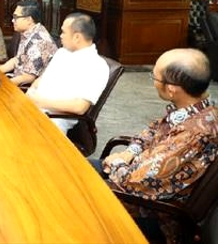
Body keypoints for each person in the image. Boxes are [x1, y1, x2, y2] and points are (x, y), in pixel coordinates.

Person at [93, 48, 217, 243]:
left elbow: (135, 183)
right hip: (135, 176)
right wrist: (129, 153)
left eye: (155, 76)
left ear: (171, 89)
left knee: (69, 194)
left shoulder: (194, 134)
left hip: (153, 213)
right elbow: (151, 132)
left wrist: (114, 163)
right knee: (69, 167)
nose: (153, 81)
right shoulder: (194, 109)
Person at [26, 12, 108, 134]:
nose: (60, 36)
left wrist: (40, 102)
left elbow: (79, 107)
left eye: (64, 32)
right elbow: (40, 80)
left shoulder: (96, 65)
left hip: (52, 120)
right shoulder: (62, 53)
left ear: (77, 37)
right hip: (31, 108)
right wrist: (30, 96)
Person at [0, 0, 58, 86]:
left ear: (29, 20)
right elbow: (17, 59)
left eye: (16, 17)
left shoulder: (39, 41)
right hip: (16, 79)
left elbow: (27, 78)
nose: (12, 20)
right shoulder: (28, 33)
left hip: (28, 89)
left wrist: (2, 84)